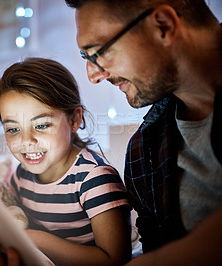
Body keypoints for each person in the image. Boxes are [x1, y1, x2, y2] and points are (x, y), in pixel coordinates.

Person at [64, 0, 222, 264]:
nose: (93, 75)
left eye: (98, 52)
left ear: (163, 25)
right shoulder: (143, 152)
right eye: (86, 58)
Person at [0, 57, 132, 265]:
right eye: (13, 129)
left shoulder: (95, 179)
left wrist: (37, 241)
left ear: (74, 120)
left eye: (41, 125)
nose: (26, 141)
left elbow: (115, 258)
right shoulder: (21, 176)